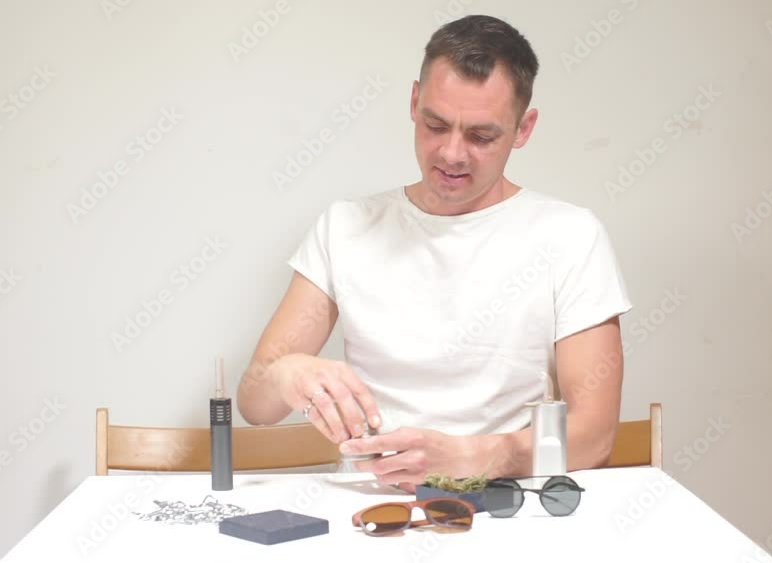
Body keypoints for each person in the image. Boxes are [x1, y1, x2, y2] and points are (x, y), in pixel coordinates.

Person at [237, 14, 632, 492]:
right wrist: (285, 373)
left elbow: (594, 438)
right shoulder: (345, 227)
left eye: (481, 136)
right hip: (369, 509)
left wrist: (472, 456)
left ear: (523, 129)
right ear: (413, 102)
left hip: (506, 506)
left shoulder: (570, 236)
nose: (451, 154)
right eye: (436, 125)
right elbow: (255, 405)